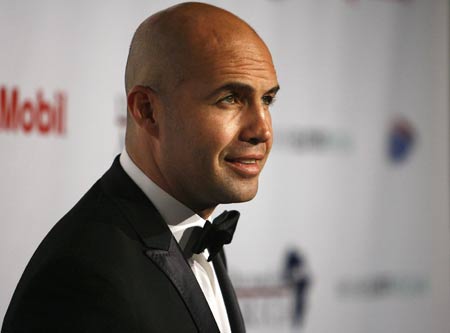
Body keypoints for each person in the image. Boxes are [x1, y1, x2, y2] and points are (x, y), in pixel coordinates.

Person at [2, 2, 279, 332]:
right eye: (230, 98)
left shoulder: (196, 232)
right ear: (147, 111)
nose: (262, 130)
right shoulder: (83, 276)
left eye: (267, 100)